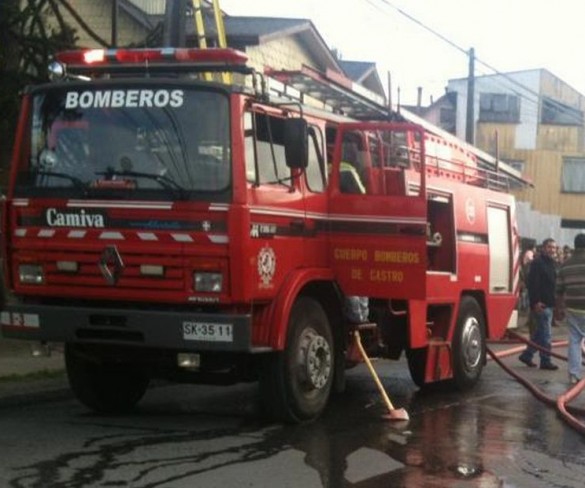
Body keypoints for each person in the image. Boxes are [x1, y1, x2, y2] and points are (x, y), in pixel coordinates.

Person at [518, 237, 559, 370]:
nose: (552, 250)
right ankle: (545, 360)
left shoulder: (553, 263)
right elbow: (533, 284)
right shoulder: (537, 263)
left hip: (550, 303)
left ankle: (527, 355)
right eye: (549, 247)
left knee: (540, 334)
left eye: (553, 247)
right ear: (543, 248)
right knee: (546, 335)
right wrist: (535, 302)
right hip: (541, 305)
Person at [555, 233, 585, 384]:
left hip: (572, 307)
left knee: (574, 340)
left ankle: (574, 374)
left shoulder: (565, 264)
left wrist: (559, 309)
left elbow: (559, 289)